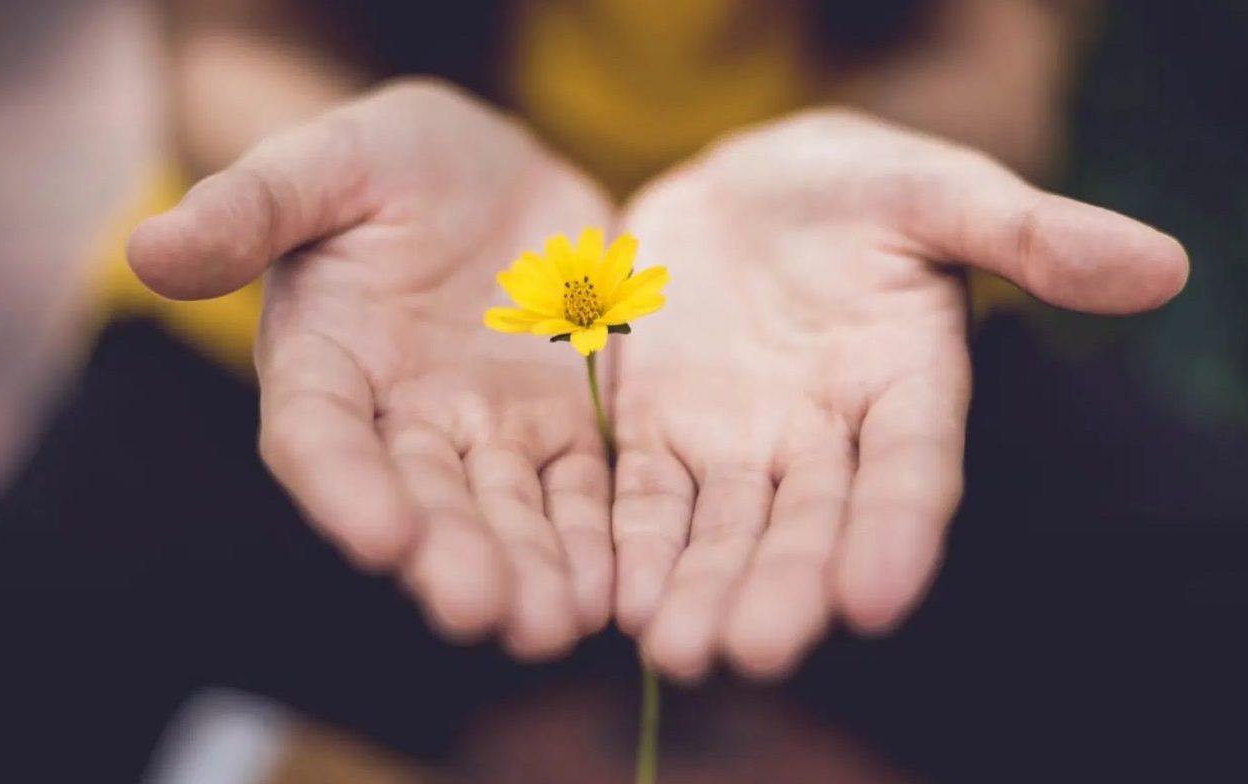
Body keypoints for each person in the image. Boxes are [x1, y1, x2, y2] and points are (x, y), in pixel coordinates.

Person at [120, 0, 1186, 681]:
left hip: (840, 324)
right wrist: (315, 163)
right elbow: (229, 34)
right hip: (367, 315)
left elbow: (995, 44)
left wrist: (893, 152)